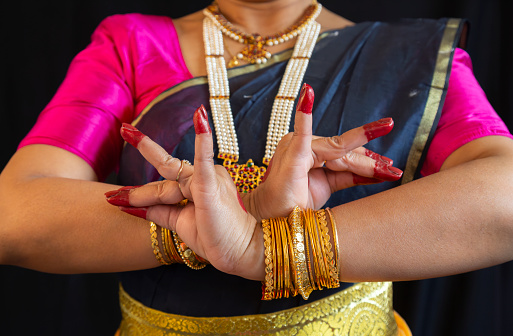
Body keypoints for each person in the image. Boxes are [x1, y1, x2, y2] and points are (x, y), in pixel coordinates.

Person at [0, 0, 512, 335]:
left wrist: (261, 245)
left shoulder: (408, 57)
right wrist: (215, 222)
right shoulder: (132, 45)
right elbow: (15, 213)